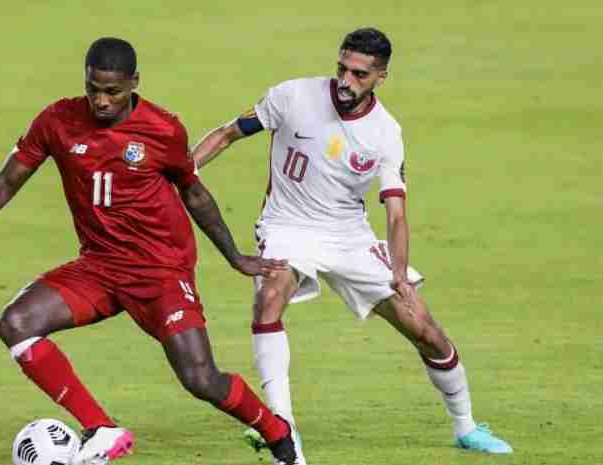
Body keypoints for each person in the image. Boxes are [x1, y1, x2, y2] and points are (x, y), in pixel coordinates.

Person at [0, 37, 304, 465]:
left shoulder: (163, 129)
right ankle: (101, 427)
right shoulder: (58, 120)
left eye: (112, 91)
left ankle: (279, 435)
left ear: (134, 83)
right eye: (93, 88)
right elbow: (10, 178)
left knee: (200, 378)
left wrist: (234, 256)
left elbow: (195, 195)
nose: (101, 100)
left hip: (160, 271)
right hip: (98, 265)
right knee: (16, 323)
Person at [191, 27, 514, 457]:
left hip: (348, 235)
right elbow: (228, 132)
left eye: (359, 74)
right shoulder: (293, 97)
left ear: (381, 77)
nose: (345, 81)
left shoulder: (385, 133)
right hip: (287, 225)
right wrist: (183, 169)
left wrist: (399, 274)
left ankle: (466, 426)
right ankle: (282, 427)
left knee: (425, 329)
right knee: (269, 298)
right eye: (342, 68)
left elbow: (396, 213)